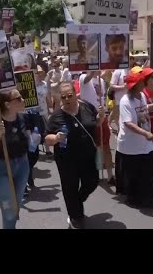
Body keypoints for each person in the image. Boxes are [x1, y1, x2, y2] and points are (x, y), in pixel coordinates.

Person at [45, 82, 104, 229]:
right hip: (67, 160)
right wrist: (57, 138)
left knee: (92, 181)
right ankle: (75, 216)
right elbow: (46, 138)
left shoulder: (86, 106)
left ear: (75, 93)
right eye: (63, 97)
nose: (67, 99)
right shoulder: (56, 116)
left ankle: (76, 202)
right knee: (70, 187)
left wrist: (101, 117)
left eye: (70, 95)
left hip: (88, 155)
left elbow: (95, 123)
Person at [116, 71, 153, 206]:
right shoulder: (125, 101)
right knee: (133, 174)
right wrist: (145, 134)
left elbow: (144, 109)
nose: (141, 85)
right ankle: (135, 198)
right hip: (131, 144)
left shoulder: (141, 96)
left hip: (144, 142)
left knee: (148, 171)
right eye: (139, 83)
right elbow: (128, 123)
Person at [0, 89, 31, 229]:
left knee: (16, 206)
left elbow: (28, 140)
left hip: (22, 166)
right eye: (18, 98)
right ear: (8, 104)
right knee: (9, 210)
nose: (23, 100)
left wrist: (34, 140)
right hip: (0, 169)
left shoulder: (23, 118)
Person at [79, 71, 114, 183]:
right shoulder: (83, 77)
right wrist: (94, 69)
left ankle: (110, 176)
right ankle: (96, 174)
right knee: (96, 148)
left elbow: (103, 98)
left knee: (106, 146)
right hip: (90, 117)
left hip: (102, 116)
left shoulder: (102, 81)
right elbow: (87, 79)